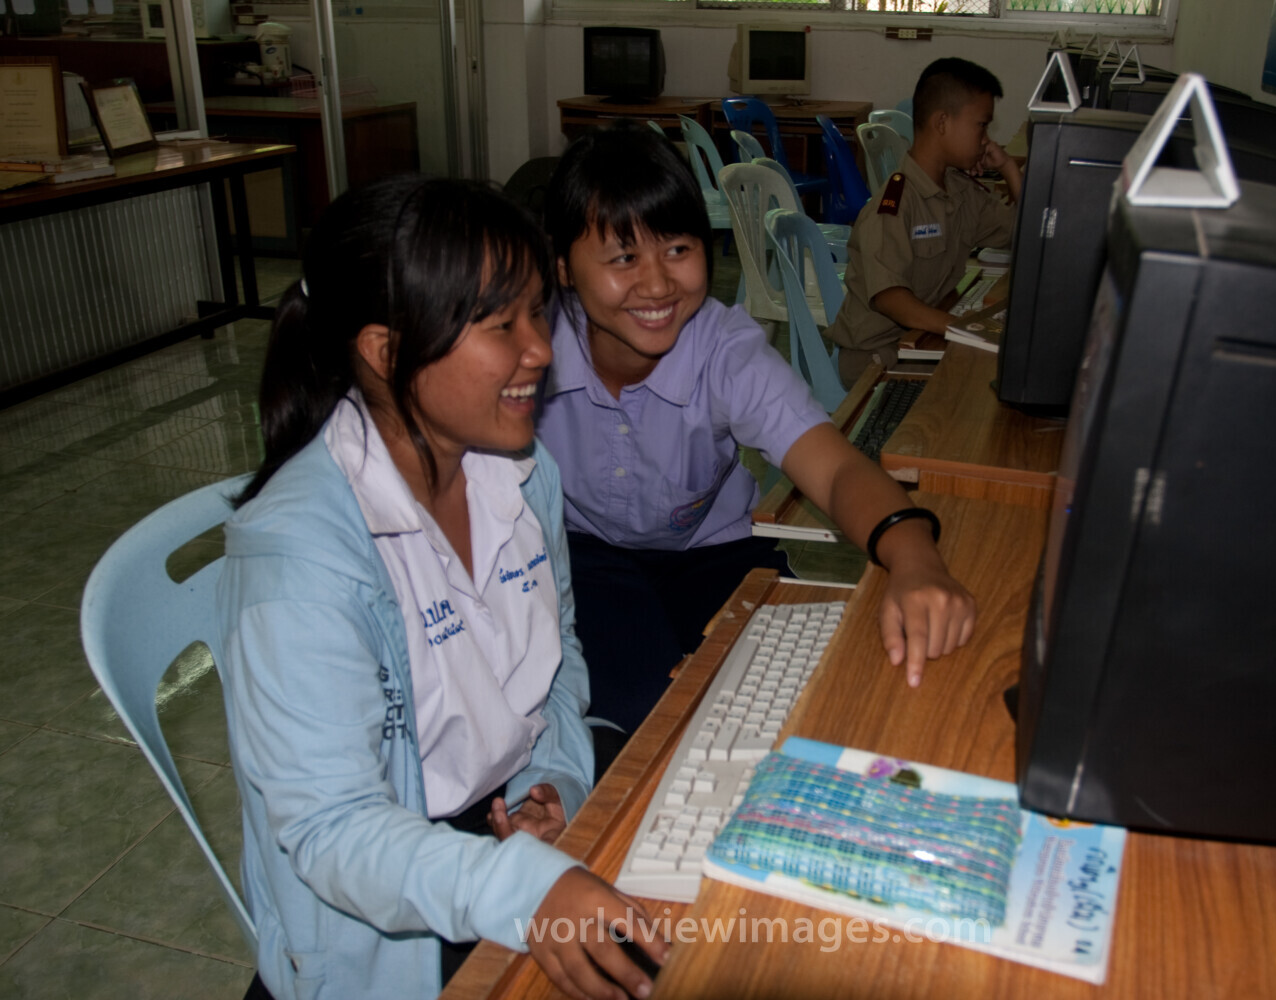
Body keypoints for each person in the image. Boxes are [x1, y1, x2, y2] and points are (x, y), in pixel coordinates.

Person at [217, 175, 667, 1000]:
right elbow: (333, 832)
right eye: (502, 325)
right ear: (385, 352)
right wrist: (527, 891)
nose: (541, 349)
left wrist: (556, 785)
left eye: (538, 312)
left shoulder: (522, 476)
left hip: (501, 834)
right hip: (391, 921)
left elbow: (557, 657)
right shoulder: (300, 558)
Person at [534, 122, 978, 736]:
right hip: (582, 557)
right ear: (562, 267)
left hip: (713, 554)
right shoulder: (527, 353)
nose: (658, 283)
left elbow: (838, 467)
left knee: (802, 688)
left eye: (679, 249)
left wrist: (914, 557)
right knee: (639, 717)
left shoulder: (724, 349)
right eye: (623, 258)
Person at [826, 57, 1024, 387]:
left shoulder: (959, 191)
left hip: (920, 342)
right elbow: (891, 299)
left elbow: (1025, 234)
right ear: (942, 123)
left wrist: (1008, 169)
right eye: (981, 125)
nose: (986, 139)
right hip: (876, 359)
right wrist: (963, 328)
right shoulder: (893, 204)